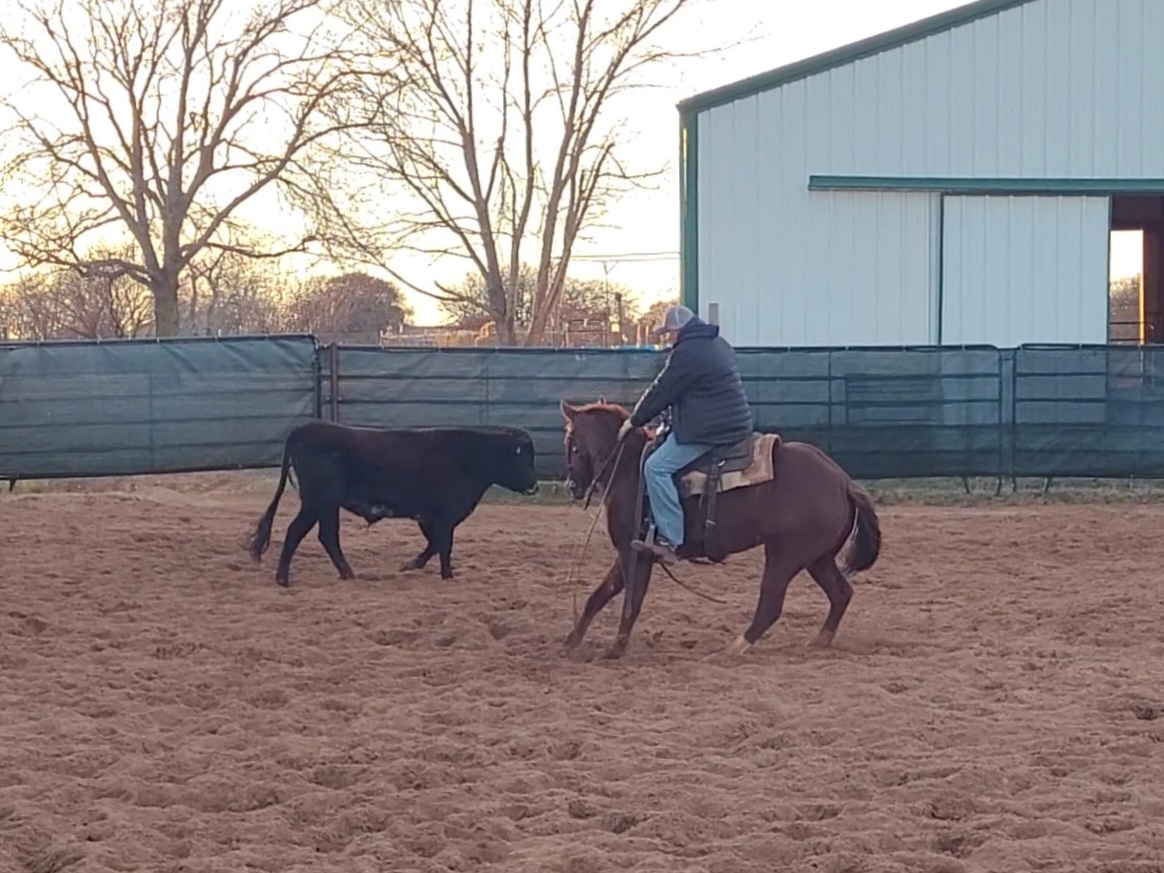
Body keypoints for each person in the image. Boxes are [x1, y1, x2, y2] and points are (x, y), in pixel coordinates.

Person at [617, 304, 753, 565]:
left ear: (679, 329)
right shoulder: (717, 343)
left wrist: (634, 421)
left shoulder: (687, 353)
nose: (668, 338)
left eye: (668, 333)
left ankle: (670, 538)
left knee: (656, 467)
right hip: (733, 423)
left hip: (710, 430)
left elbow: (662, 390)